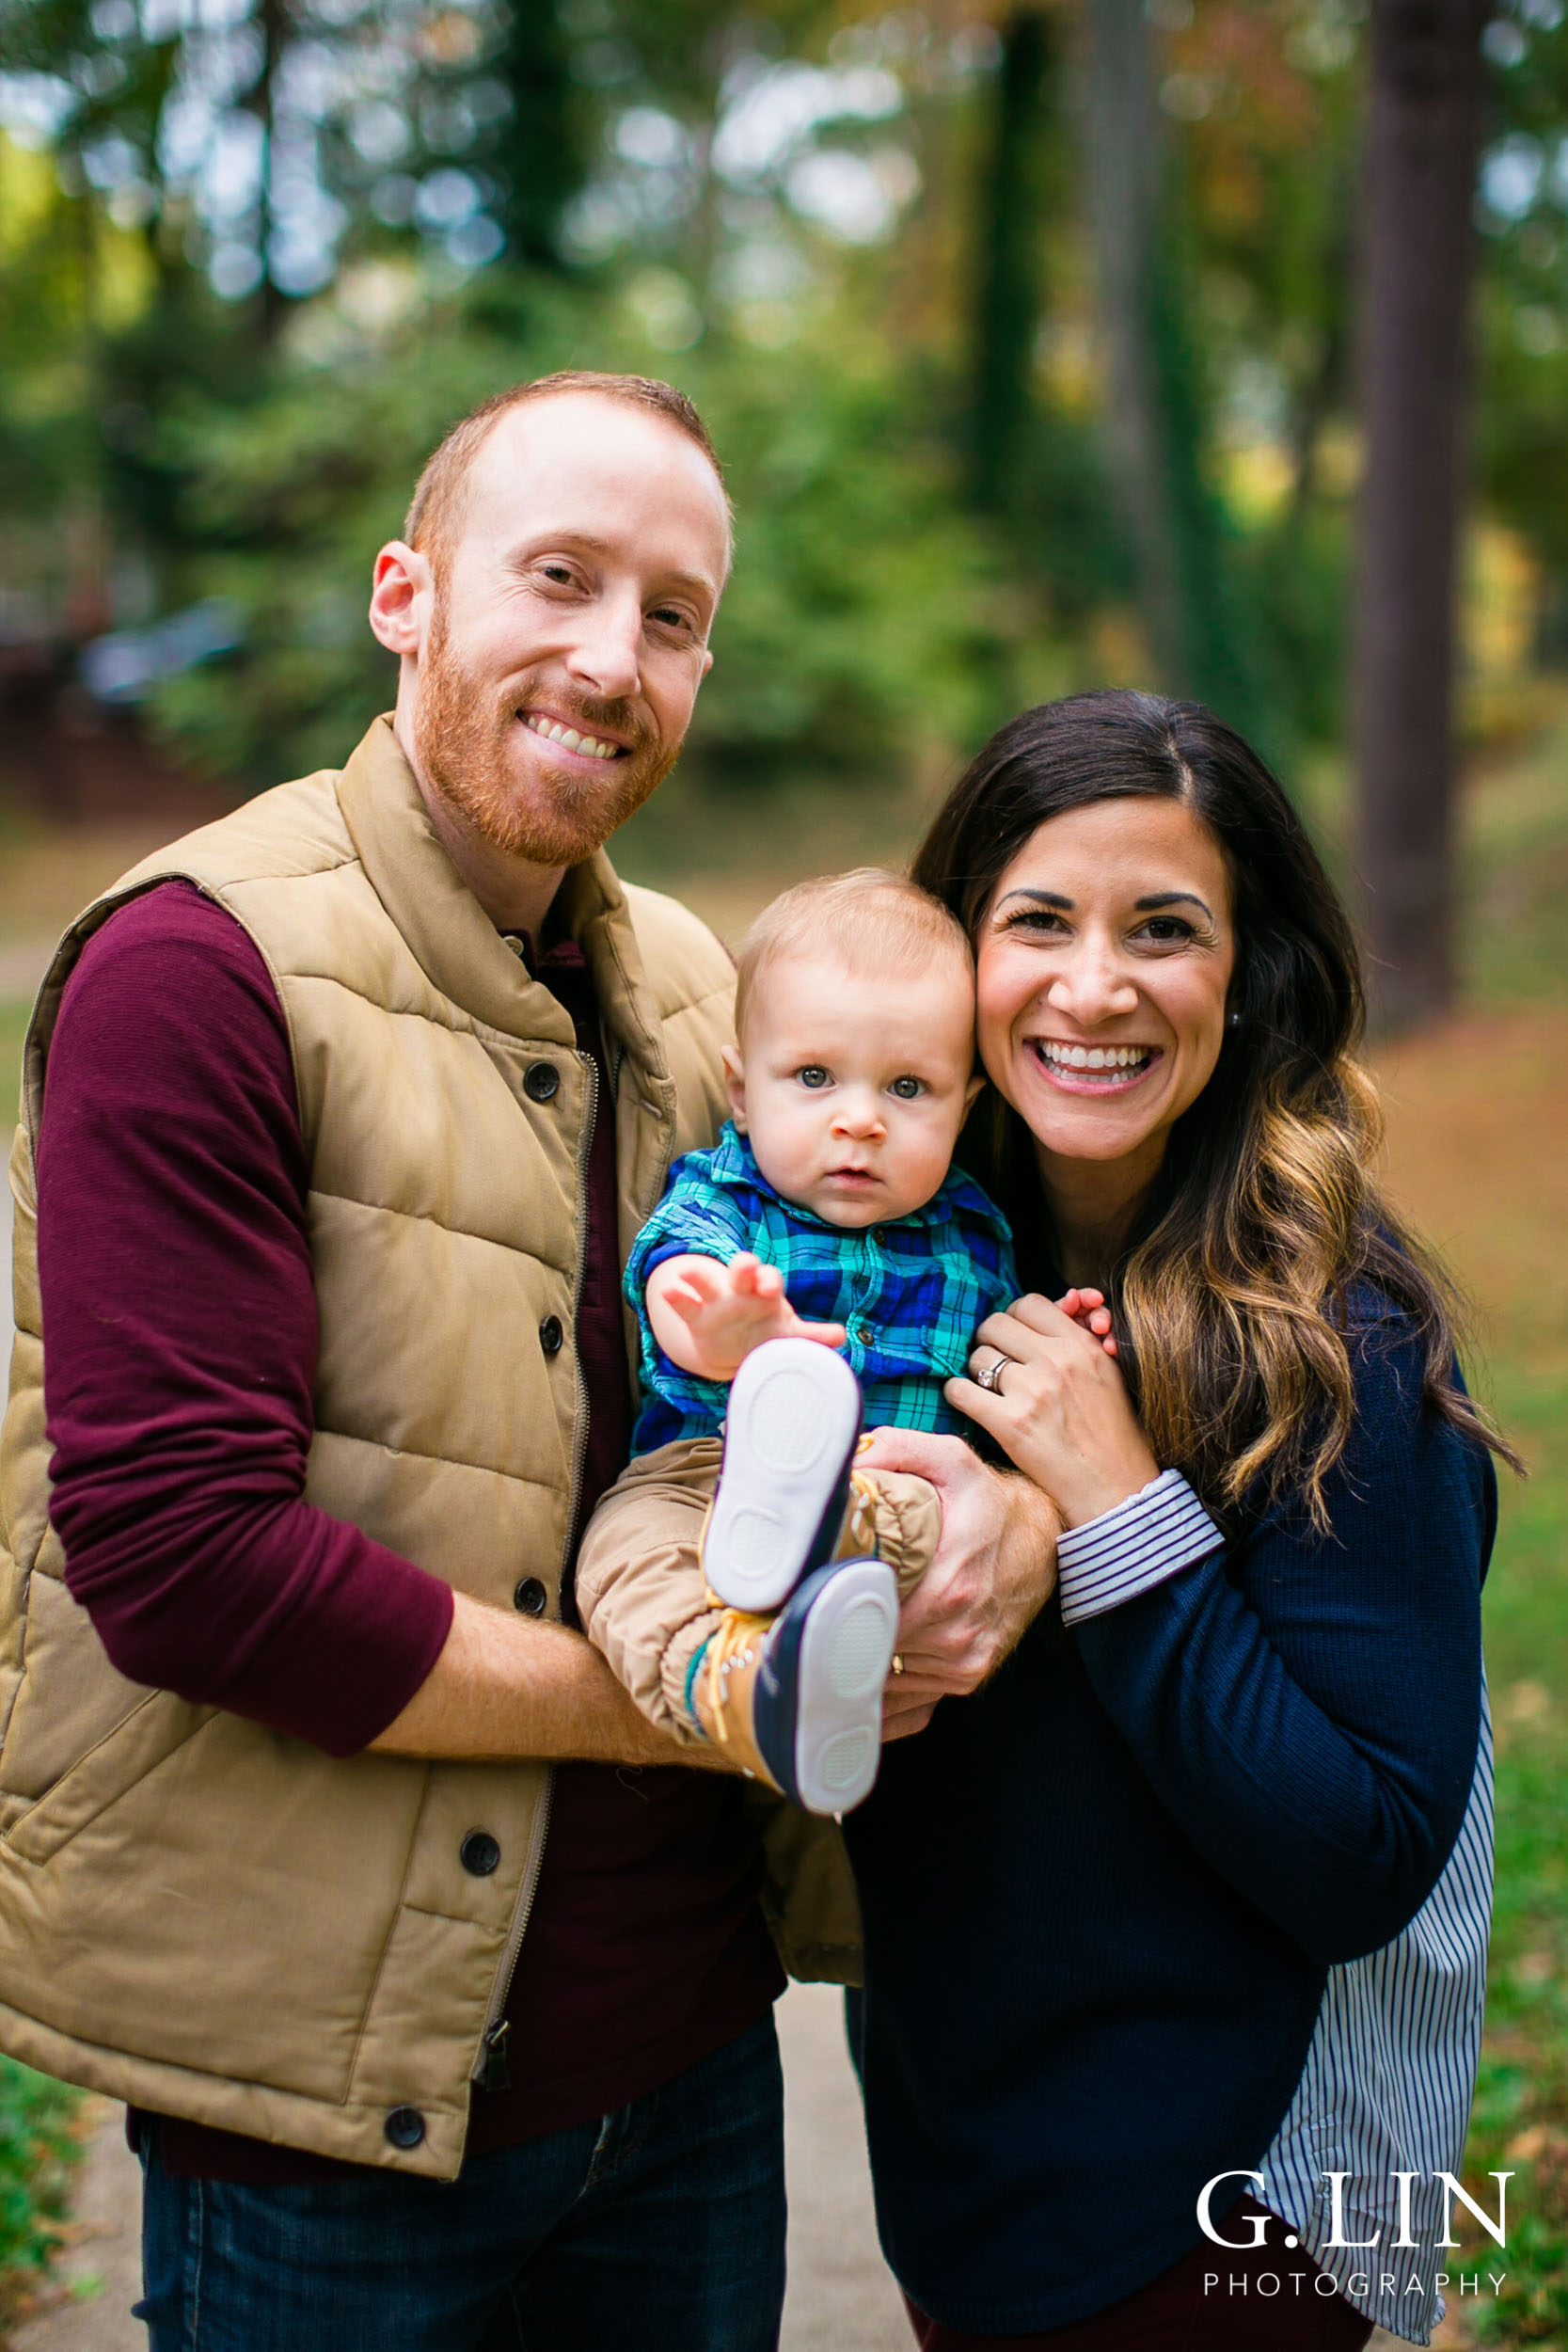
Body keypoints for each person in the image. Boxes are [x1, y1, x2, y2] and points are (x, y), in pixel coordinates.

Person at [0, 372, 1049, 2352]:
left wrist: (972, 1507)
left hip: (683, 2064)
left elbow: (877, 1288)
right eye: (555, 577)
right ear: (403, 591)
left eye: (668, 613)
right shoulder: (194, 970)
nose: (610, 656)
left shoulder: (687, 983)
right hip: (326, 2113)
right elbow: (179, 1564)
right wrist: (693, 1703)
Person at [844, 689, 1510, 2350]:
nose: (1093, 986)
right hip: (969, 2169)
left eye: (1163, 929)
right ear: (958, 957)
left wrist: (1116, 1501)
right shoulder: (912, 1281)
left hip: (1238, 2211)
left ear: (1248, 973)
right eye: (1038, 922)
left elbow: (1359, 1859)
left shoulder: (1333, 1341)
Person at [576, 868, 1034, 1814]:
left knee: (918, 1513)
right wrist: (715, 1328)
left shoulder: (975, 1235)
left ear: (963, 1109)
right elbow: (673, 1269)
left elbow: (1004, 1360)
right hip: (699, 1475)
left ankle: (816, 1568)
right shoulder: (725, 1197)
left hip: (878, 1489)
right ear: (742, 1091)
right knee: (617, 1566)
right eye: (814, 1077)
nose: (858, 1118)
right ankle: (746, 1694)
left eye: (907, 1087)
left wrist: (1062, 1333)